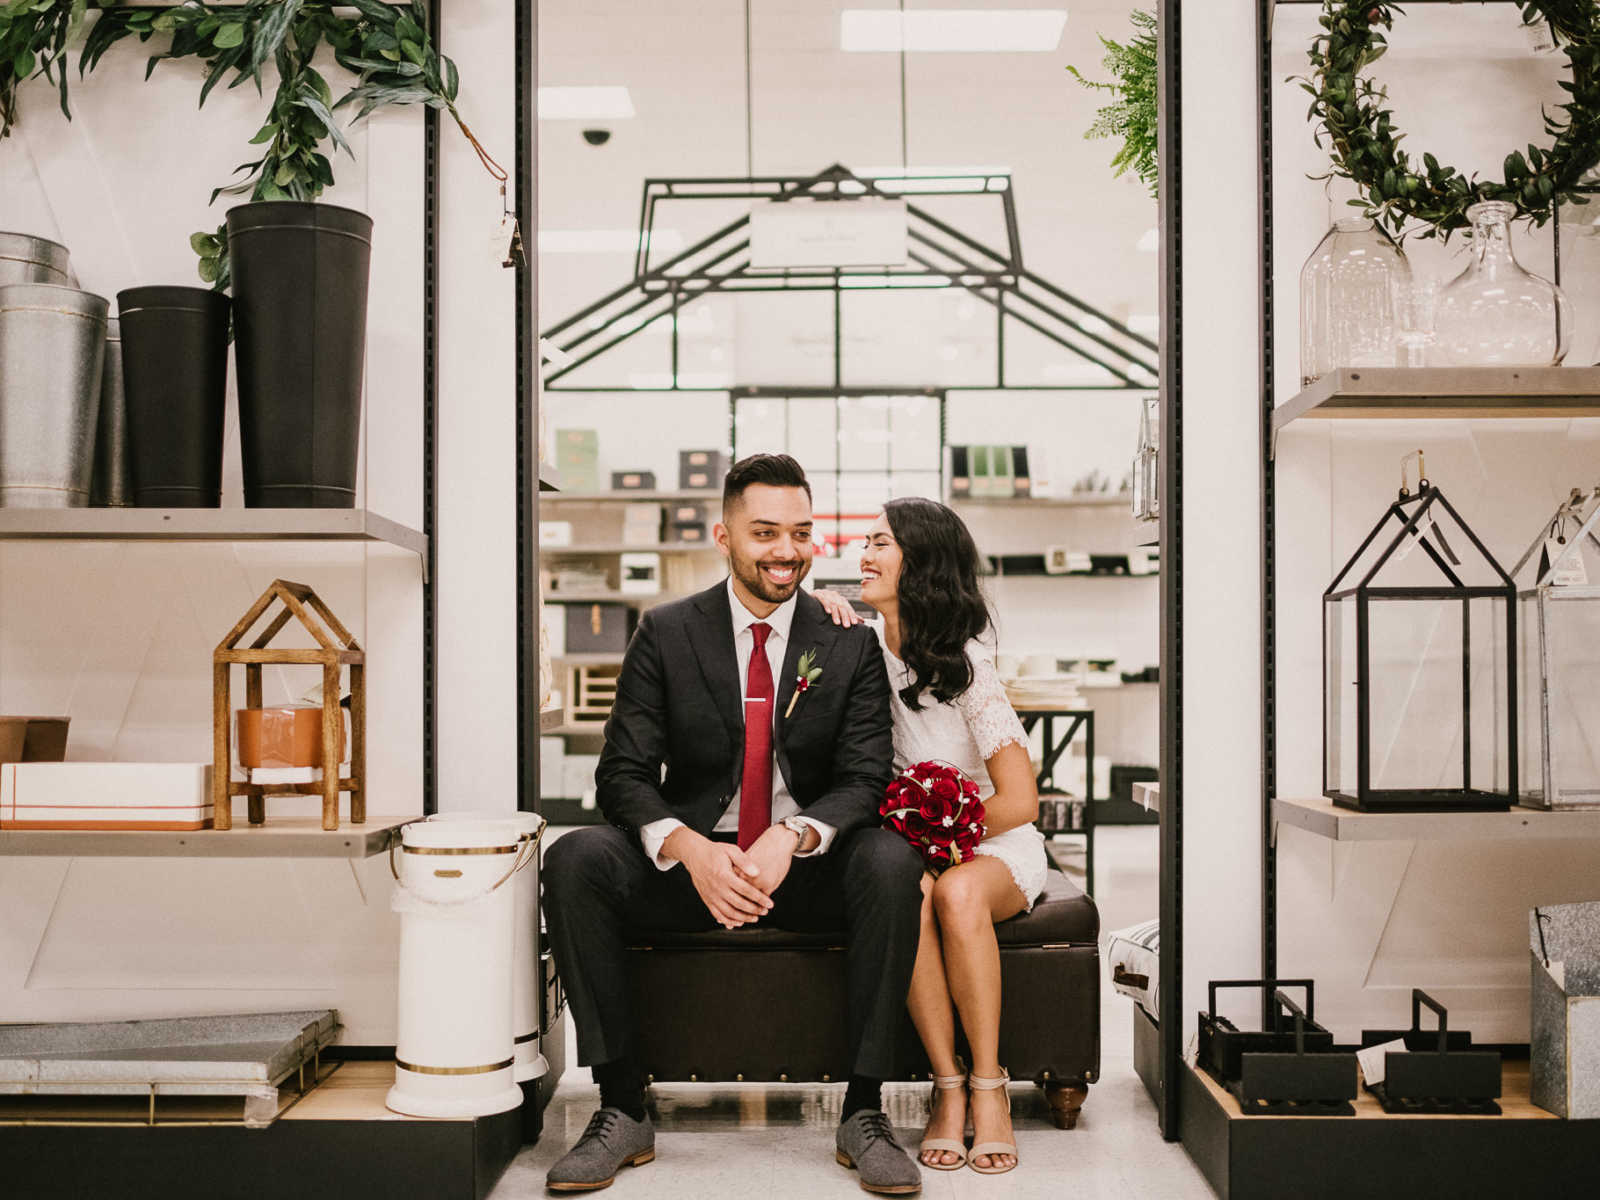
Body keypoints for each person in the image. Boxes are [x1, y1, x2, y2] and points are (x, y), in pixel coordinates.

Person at [541, 454, 927, 1195]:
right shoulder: (665, 632)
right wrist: (689, 850)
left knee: (889, 860)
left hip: (803, 865)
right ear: (723, 534)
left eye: (801, 533)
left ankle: (866, 1109)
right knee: (574, 859)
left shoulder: (848, 640)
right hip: (694, 868)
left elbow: (865, 778)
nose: (786, 551)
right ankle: (621, 1107)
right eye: (765, 533)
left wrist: (794, 835)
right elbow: (620, 776)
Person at [813, 497, 1045, 1175]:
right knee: (906, 895)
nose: (865, 554)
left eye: (881, 543)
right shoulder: (857, 647)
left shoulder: (966, 663)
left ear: (921, 561)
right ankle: (947, 1087)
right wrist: (818, 603)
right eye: (864, 542)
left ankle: (989, 1087)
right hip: (913, 846)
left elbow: (1022, 800)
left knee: (958, 898)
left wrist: (947, 830)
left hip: (992, 844)